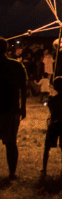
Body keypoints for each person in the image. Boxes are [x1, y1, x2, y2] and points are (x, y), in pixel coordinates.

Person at [0, 38, 28, 179]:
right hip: (11, 109)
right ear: (6, 49)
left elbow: (23, 88)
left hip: (10, 108)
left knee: (11, 142)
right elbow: (23, 89)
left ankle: (12, 173)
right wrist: (23, 107)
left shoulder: (16, 66)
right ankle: (12, 173)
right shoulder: (16, 66)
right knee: (11, 142)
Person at [41, 76, 62, 179]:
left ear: (54, 87)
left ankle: (44, 168)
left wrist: (48, 97)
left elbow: (47, 105)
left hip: (54, 124)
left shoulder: (52, 99)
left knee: (47, 148)